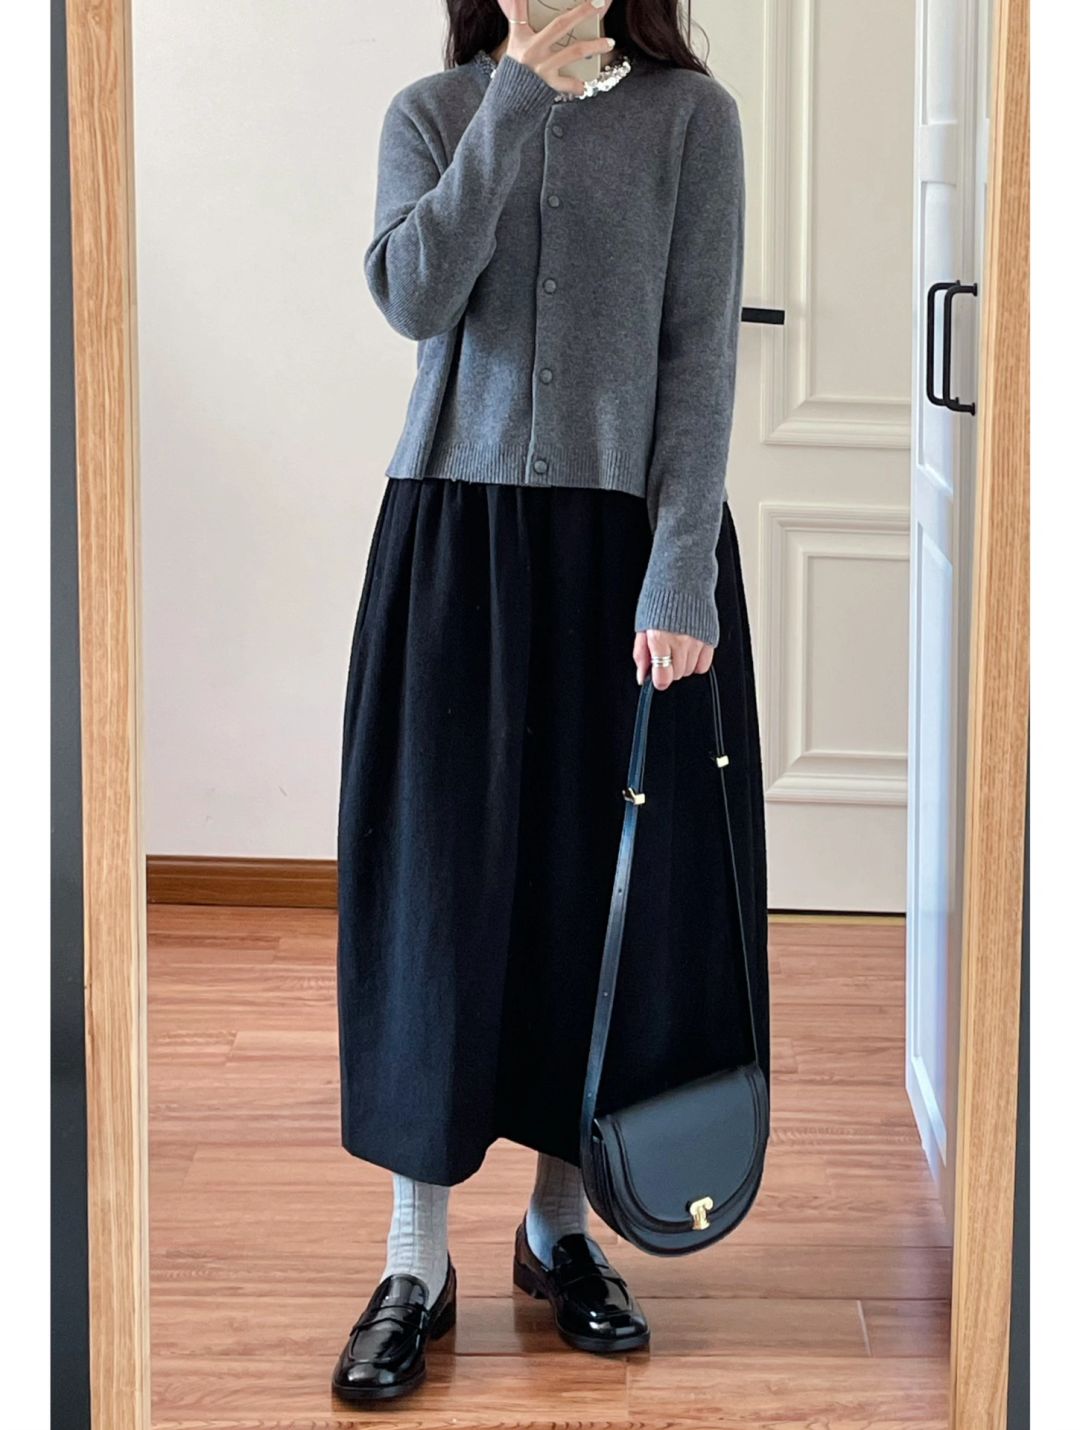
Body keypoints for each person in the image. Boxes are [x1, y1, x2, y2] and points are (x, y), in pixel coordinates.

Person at [332, 0, 769, 1402]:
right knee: (436, 891)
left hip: (625, 550)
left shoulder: (694, 122)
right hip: (454, 541)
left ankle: (560, 1226)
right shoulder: (432, 112)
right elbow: (412, 298)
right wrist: (514, 99)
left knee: (598, 894)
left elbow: (699, 354)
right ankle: (414, 1259)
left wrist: (680, 570)